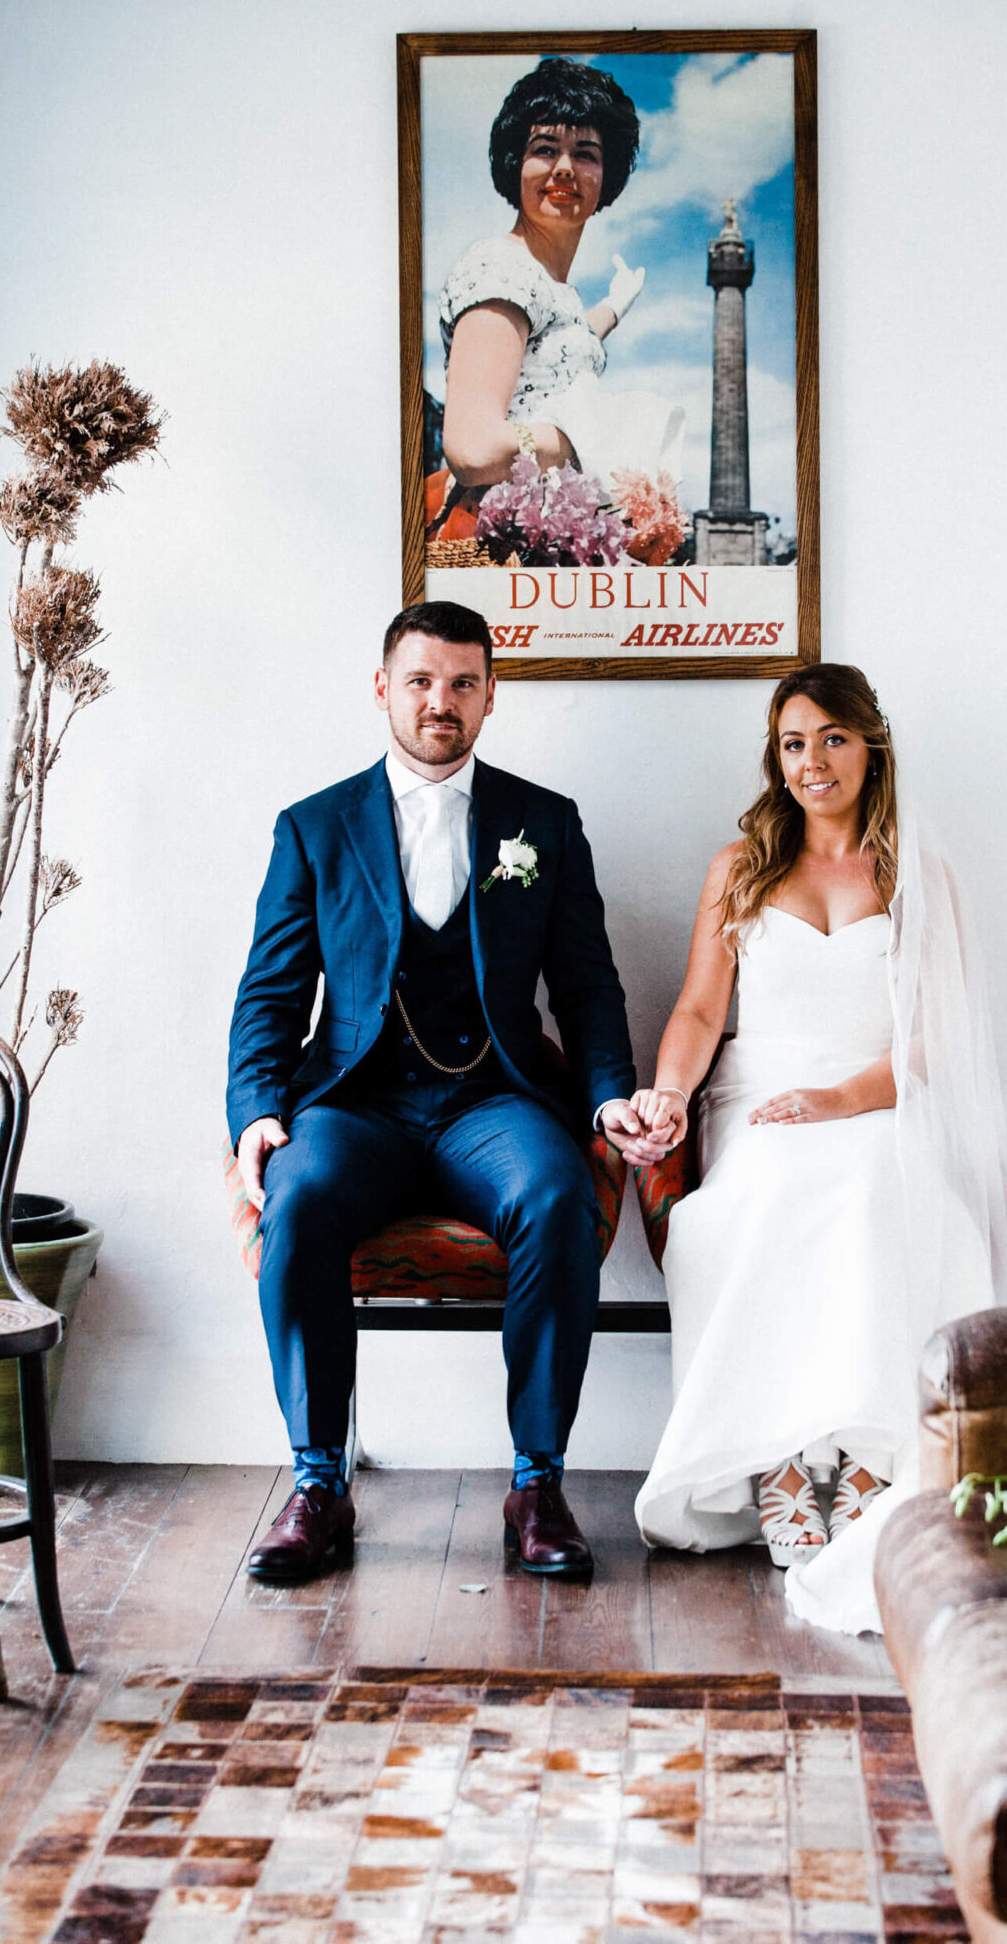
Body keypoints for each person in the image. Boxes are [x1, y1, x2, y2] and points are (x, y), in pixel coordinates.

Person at [226, 599, 668, 1584]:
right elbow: (271, 992)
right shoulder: (314, 828)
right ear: (382, 688)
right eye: (421, 680)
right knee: (297, 1203)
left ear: (490, 696)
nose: (441, 701)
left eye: (463, 682)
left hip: (491, 1103)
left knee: (556, 1195)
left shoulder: (540, 824)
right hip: (357, 1104)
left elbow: (588, 986)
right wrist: (258, 1112)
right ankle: (315, 1487)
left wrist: (605, 1098)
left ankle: (536, 1483)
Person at [631, 665, 1007, 1634]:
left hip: (877, 1097)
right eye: (792, 743)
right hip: (759, 1096)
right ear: (773, 760)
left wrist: (844, 1097)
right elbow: (702, 1008)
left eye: (831, 738)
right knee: (770, 1188)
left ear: (871, 746)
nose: (811, 761)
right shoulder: (738, 867)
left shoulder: (918, 874)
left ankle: (860, 1460)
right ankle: (787, 1463)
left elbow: (933, 1038)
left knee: (873, 1182)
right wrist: (669, 1090)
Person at [430, 56, 681, 544]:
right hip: (499, 543)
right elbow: (472, 447)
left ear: (606, 176)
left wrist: (613, 308)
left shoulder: (549, 287)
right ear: (514, 164)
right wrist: (591, 438)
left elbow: (557, 345)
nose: (565, 168)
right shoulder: (501, 268)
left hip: (546, 541)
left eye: (586, 153)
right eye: (545, 149)